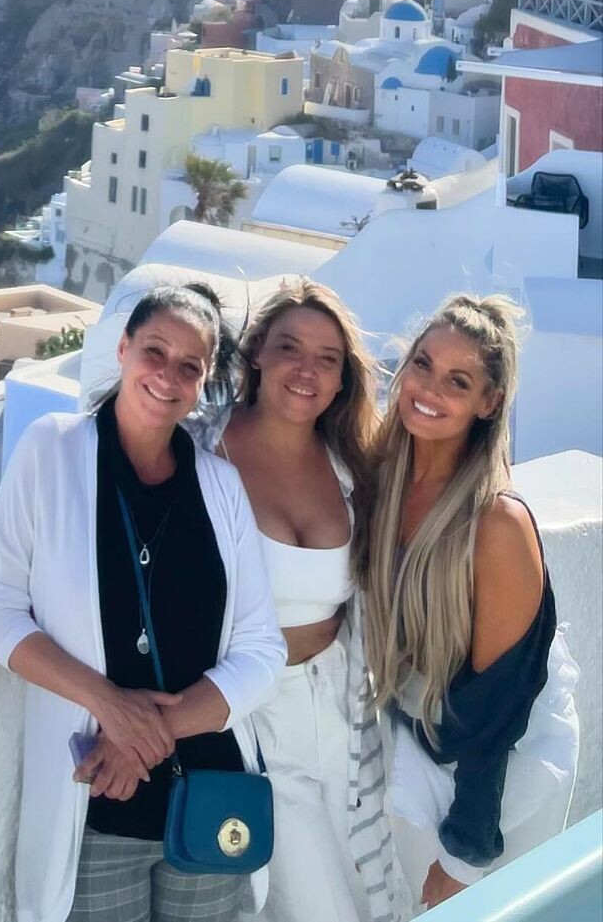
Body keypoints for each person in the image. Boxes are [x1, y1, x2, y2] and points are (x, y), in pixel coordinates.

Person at [0, 283, 287, 922]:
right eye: (154, 351)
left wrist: (145, 734)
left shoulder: (221, 487)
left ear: (202, 383)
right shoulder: (51, 451)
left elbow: (262, 651)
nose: (167, 375)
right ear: (122, 350)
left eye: (189, 366)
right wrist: (109, 706)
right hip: (97, 803)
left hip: (208, 797)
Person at [356, 293, 579, 912]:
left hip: (505, 767)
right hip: (422, 732)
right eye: (422, 364)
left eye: (458, 381)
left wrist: (464, 854)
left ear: (489, 403)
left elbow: (499, 707)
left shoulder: (496, 523)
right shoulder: (381, 479)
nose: (429, 389)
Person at [200, 281, 408, 922]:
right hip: (254, 720)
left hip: (347, 714)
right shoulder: (201, 452)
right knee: (315, 906)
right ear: (257, 352)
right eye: (289, 347)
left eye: (327, 358)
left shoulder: (352, 464)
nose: (306, 370)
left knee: (374, 891)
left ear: (343, 379)